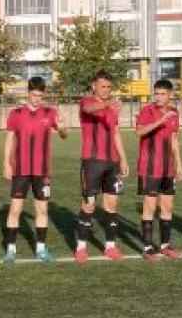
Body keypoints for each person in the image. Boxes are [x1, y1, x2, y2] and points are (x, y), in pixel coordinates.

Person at [1, 76, 66, 264]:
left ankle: (40, 249)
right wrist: (6, 163)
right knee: (15, 209)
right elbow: (8, 140)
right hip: (20, 170)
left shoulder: (50, 112)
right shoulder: (16, 113)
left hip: (42, 171)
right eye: (34, 95)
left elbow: (64, 135)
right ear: (28, 93)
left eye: (40, 95)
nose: (36, 98)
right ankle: (11, 250)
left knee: (42, 210)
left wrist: (62, 128)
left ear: (43, 94)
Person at [75, 70, 130, 264]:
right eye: (102, 86)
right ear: (93, 86)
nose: (106, 90)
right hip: (91, 162)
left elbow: (116, 132)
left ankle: (110, 246)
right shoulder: (86, 101)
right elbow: (90, 110)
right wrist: (109, 104)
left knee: (112, 205)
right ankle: (81, 247)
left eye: (108, 87)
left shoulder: (112, 108)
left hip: (112, 163)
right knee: (89, 204)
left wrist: (123, 158)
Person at [135, 79, 182, 261]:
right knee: (149, 207)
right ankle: (148, 247)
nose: (159, 97)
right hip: (149, 167)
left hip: (168, 168)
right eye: (156, 93)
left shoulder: (174, 112)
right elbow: (139, 132)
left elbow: (174, 139)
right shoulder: (147, 111)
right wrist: (160, 121)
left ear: (170, 95)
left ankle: (165, 245)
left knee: (167, 207)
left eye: (163, 94)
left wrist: (178, 164)